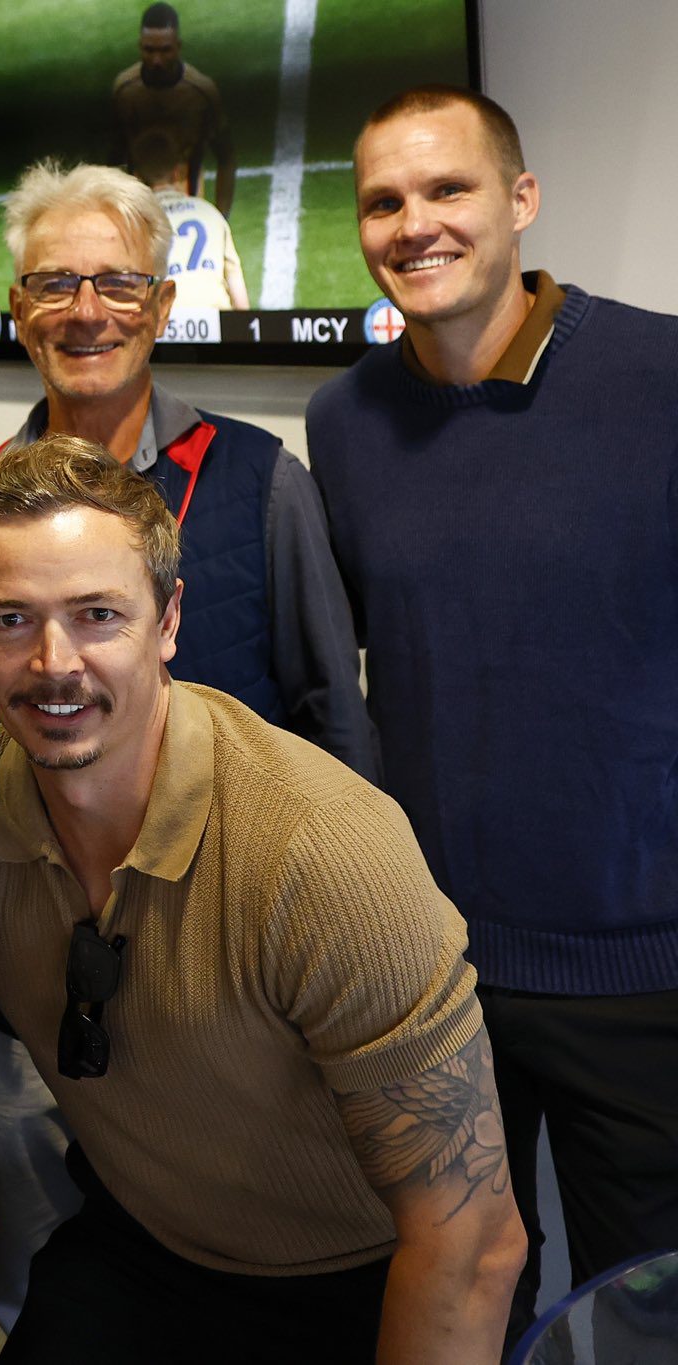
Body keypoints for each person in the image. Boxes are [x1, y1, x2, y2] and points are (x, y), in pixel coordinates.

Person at [0, 163, 374, 1336]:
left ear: (161, 306)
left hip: (230, 985)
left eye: (116, 280)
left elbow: (334, 720)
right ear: (14, 303)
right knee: (45, 1281)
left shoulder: (262, 486)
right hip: (24, 984)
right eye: (54, 281)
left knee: (218, 1279)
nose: (84, 308)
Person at [0, 433, 524, 1363]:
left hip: (361, 1274)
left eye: (98, 614)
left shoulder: (322, 850)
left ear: (169, 620)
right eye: (11, 619)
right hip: (146, 1248)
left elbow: (473, 1239)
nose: (54, 663)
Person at [309, 84, 678, 1349]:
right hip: (430, 971)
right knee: (455, 1293)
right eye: (383, 200)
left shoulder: (660, 376)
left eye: (447, 189)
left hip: (638, 970)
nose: (414, 223)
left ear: (518, 201)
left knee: (644, 1308)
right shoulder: (343, 421)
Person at [110, 3, 236, 218]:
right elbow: (114, 157)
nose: (157, 60)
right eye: (149, 50)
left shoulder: (201, 91)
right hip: (141, 208)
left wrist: (221, 217)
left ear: (178, 46)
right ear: (140, 46)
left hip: (189, 204)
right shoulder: (124, 90)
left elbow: (226, 156)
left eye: (165, 50)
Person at [132, 131, 249, 311]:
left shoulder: (135, 223)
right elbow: (237, 288)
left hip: (165, 325)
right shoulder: (210, 213)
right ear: (179, 172)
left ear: (137, 178)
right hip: (214, 319)